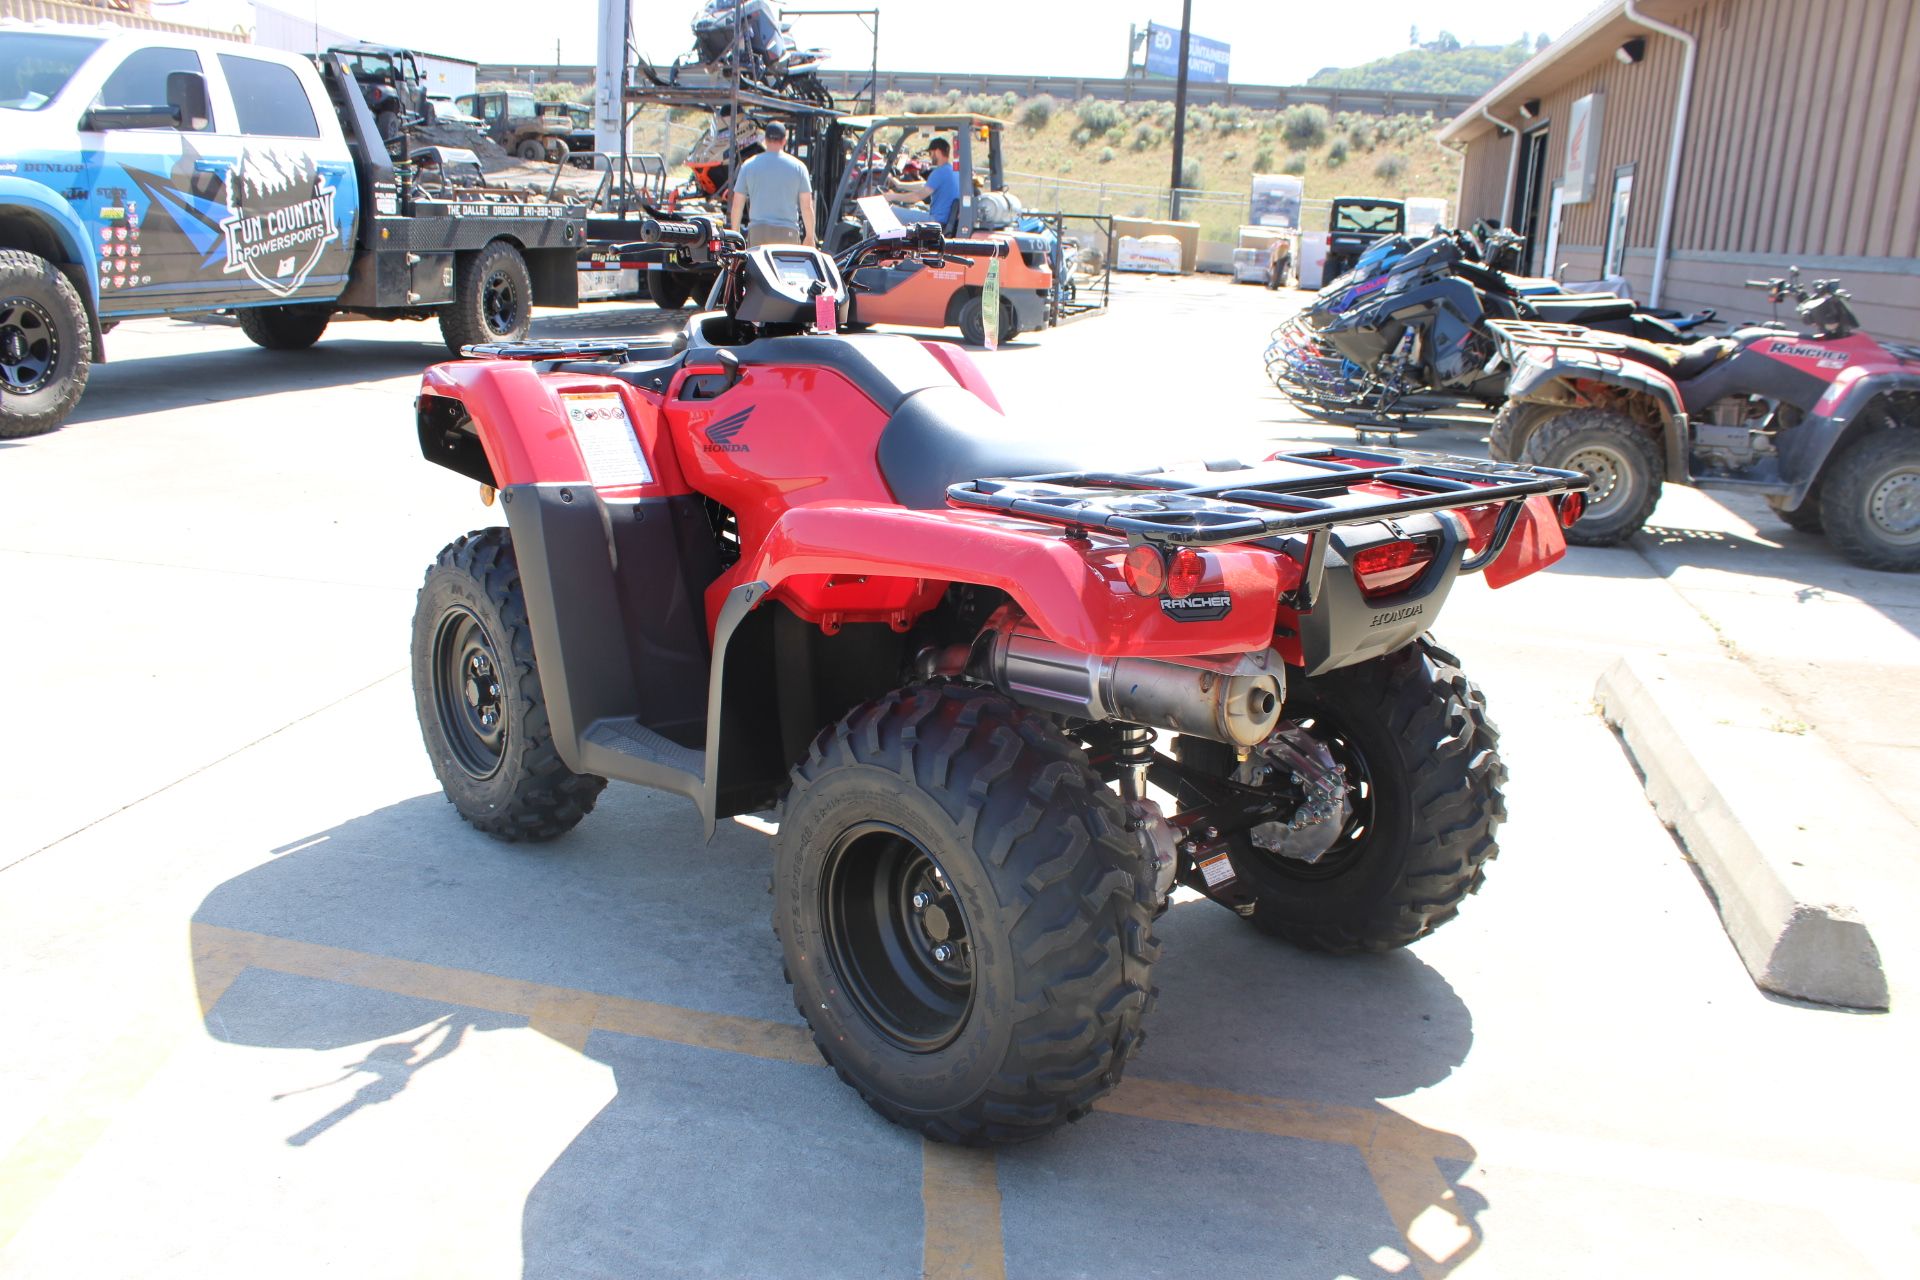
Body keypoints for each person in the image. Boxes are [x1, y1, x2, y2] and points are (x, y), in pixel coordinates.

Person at [729, 119, 815, 247]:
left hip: (758, 232)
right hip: (787, 233)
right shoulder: (799, 167)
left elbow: (737, 205)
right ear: (784, 140)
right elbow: (807, 206)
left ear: (765, 139)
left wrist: (734, 236)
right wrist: (810, 236)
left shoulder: (748, 165)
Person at [885, 136, 960, 229]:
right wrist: (898, 184)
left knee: (890, 211)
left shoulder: (939, 172)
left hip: (935, 222)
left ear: (937, 151)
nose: (930, 156)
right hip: (943, 220)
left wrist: (893, 196)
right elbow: (923, 186)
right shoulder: (952, 171)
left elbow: (918, 196)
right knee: (917, 206)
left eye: (930, 153)